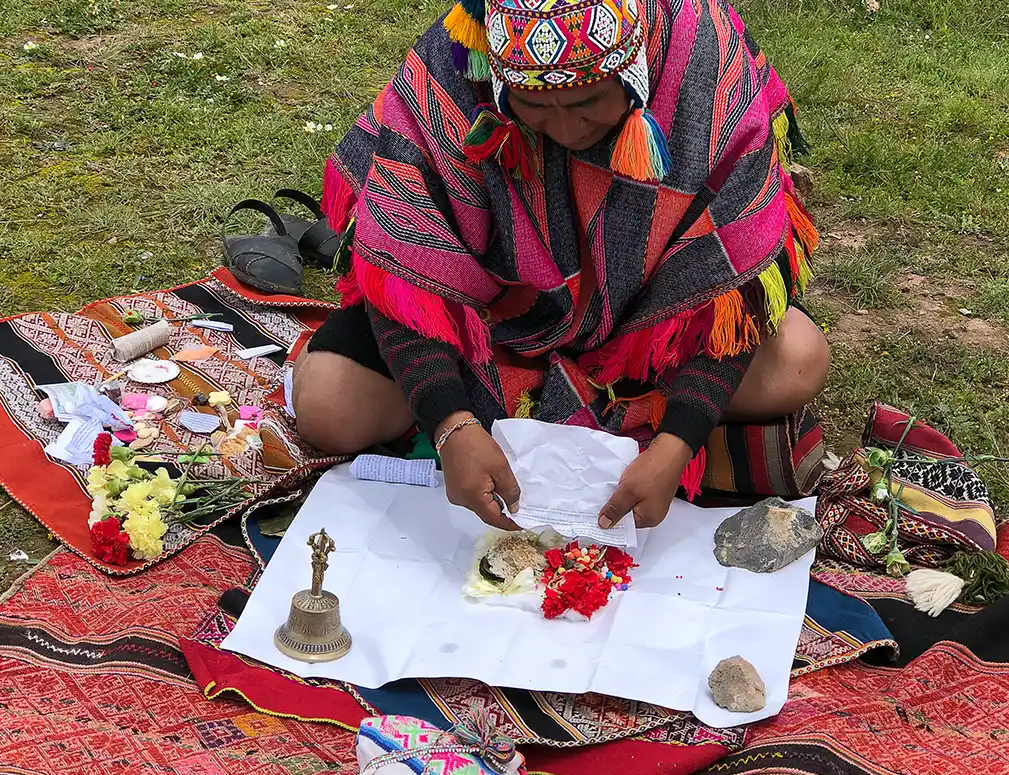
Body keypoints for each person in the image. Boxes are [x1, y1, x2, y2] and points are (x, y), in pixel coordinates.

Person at [293, 0, 828, 533]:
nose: (568, 130)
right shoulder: (453, 67)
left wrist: (676, 443)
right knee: (328, 404)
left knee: (800, 360)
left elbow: (729, 292)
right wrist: (450, 424)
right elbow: (400, 262)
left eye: (591, 101)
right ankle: (580, 434)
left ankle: (648, 447)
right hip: (489, 324)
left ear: (639, 62)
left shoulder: (706, 67)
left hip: (648, 332)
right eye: (533, 104)